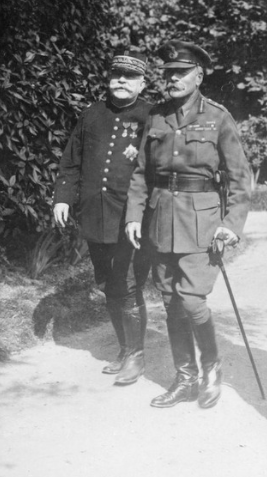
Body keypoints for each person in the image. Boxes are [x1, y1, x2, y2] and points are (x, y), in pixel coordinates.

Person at [125, 40, 251, 409]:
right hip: (161, 219)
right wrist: (134, 215)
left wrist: (232, 224)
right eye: (168, 73)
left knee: (192, 300)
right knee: (170, 302)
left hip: (202, 223)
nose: (173, 78)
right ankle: (185, 377)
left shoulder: (218, 116)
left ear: (199, 74)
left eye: (181, 72)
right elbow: (140, 173)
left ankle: (211, 369)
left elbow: (241, 179)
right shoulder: (157, 116)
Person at [53, 49, 152, 385]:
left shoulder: (151, 117)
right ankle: (125, 349)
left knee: (126, 284)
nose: (121, 81)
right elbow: (71, 161)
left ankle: (136, 356)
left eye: (130, 76)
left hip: (130, 217)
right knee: (106, 284)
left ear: (142, 83)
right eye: (116, 75)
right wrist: (63, 198)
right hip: (95, 215)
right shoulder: (92, 114)